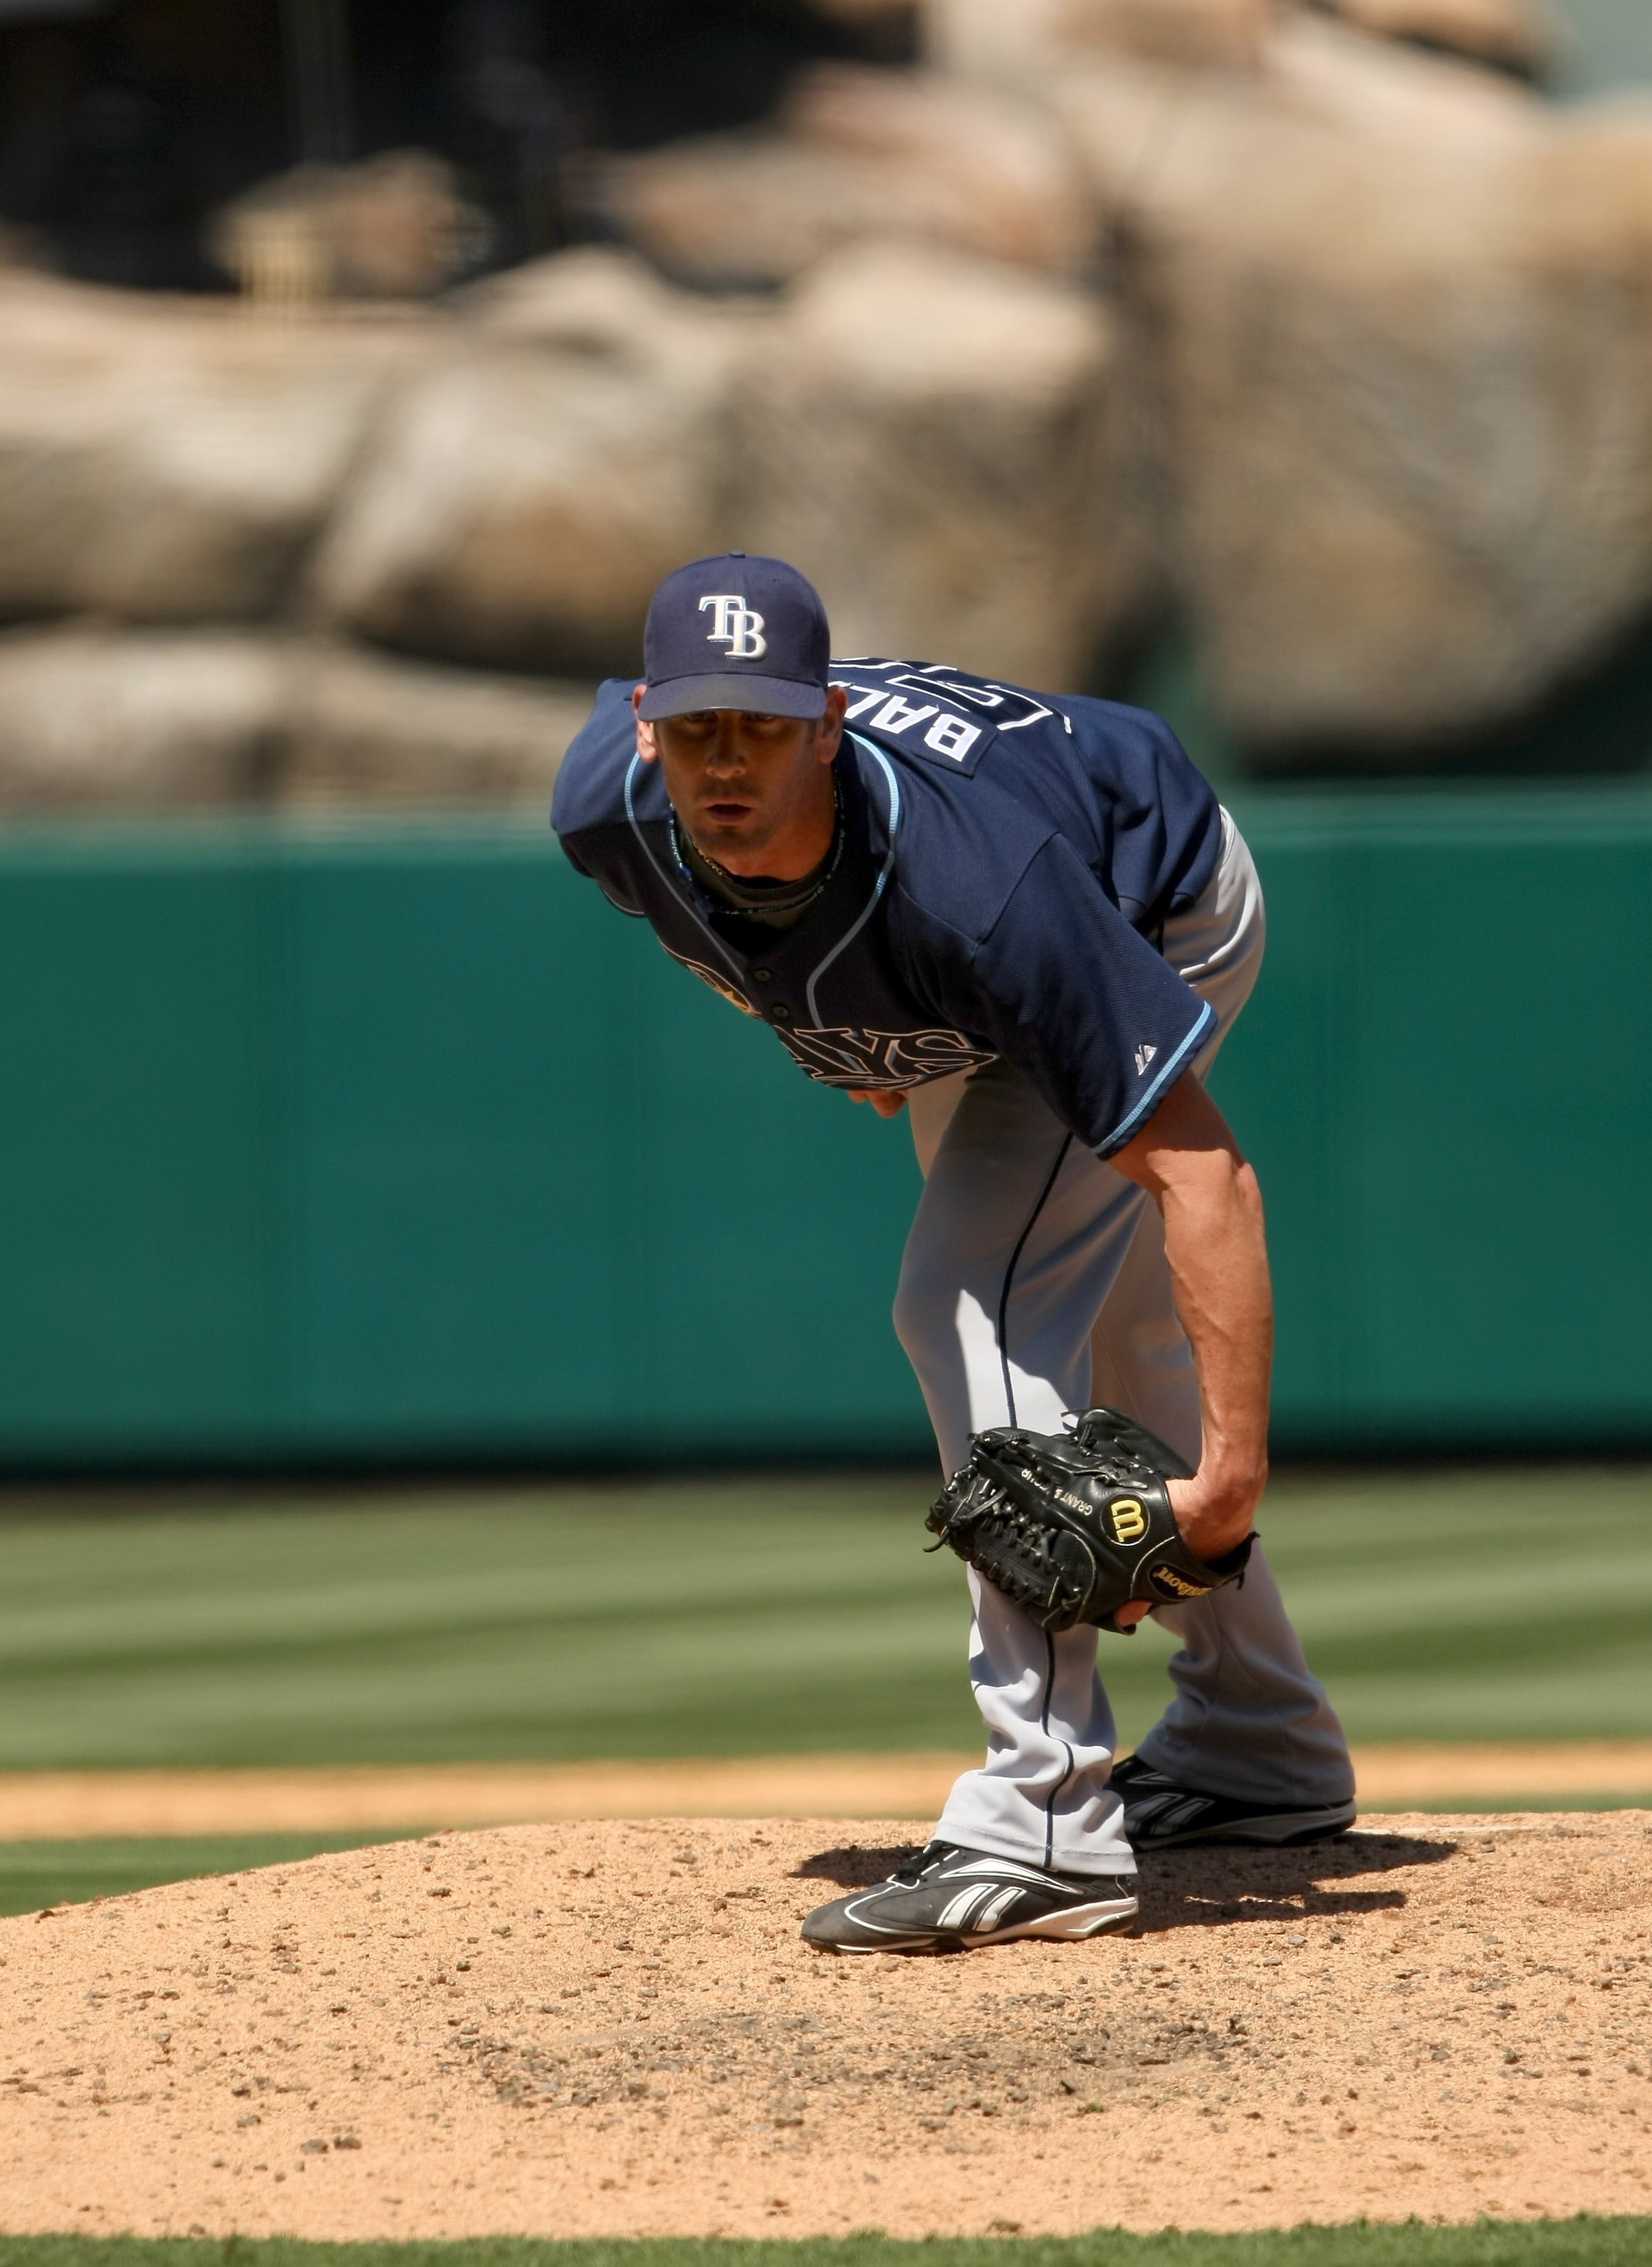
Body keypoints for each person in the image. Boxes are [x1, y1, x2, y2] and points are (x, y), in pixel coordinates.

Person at [552, 551, 1354, 1954]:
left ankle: (1042, 1818)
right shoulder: (604, 811)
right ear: (640, 726)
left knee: (967, 1301)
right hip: (950, 970)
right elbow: (732, 924)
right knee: (1073, 1339)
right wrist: (829, 1025)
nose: (721, 762)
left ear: (828, 719)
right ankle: (1260, 1744)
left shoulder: (985, 888)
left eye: (758, 726)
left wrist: (1225, 1480)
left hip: (1146, 894)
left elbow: (1204, 1175)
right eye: (693, 729)